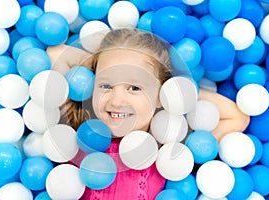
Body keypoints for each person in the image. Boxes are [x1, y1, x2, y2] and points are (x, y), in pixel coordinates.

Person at [47, 28, 250, 199]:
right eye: (106, 85)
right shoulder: (78, 133)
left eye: (134, 88)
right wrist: (97, 64)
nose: (117, 101)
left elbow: (237, 116)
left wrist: (178, 91)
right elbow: (54, 52)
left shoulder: (168, 149)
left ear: (162, 94)